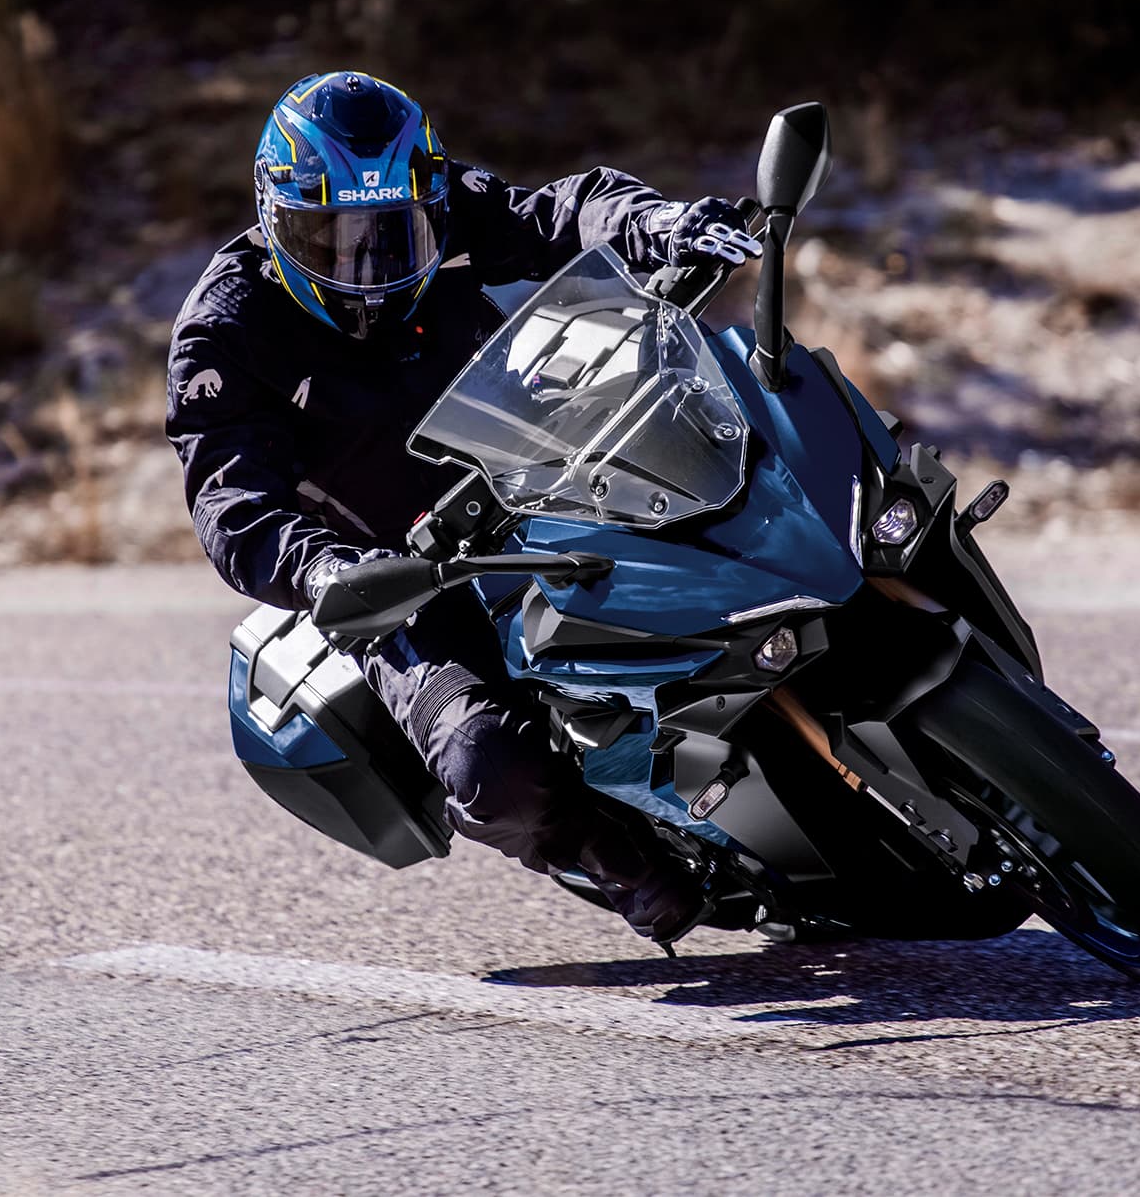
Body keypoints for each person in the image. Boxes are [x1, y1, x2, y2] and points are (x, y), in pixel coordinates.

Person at [166, 70, 761, 946]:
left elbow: (561, 211)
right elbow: (233, 503)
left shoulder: (455, 208)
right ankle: (606, 851)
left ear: (431, 200)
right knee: (489, 764)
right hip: (400, 578)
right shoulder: (226, 328)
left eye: (394, 233)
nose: (368, 267)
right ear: (275, 215)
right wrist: (325, 570)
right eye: (333, 239)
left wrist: (655, 223)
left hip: (543, 483)